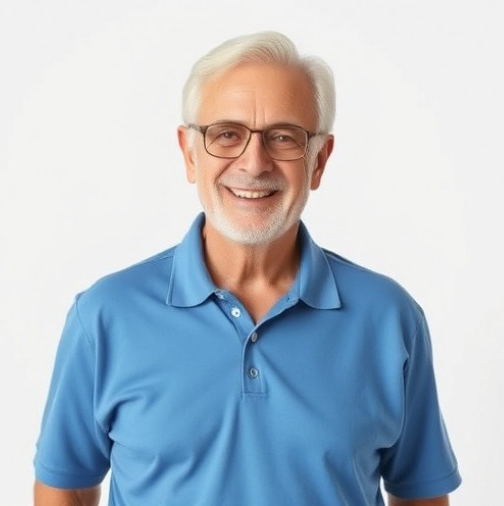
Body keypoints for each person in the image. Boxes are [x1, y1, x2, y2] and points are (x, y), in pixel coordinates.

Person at [33, 31, 461, 506]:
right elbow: (65, 489)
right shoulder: (105, 316)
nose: (254, 163)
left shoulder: (389, 318)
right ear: (189, 153)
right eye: (227, 134)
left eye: (284, 137)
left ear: (319, 160)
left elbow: (421, 497)